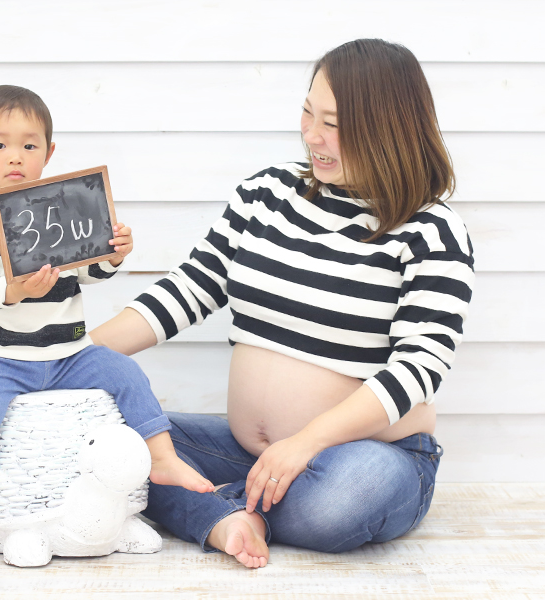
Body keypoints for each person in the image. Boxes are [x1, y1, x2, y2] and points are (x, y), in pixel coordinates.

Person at [90, 39, 474, 569]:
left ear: (388, 127)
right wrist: (74, 356)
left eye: (333, 124)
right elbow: (190, 288)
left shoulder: (430, 231)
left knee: (351, 497)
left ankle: (213, 509)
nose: (312, 136)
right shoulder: (266, 195)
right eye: (307, 111)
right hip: (247, 453)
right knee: (106, 439)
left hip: (363, 458)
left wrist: (306, 443)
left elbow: (420, 368)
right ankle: (232, 516)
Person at [0, 85, 214, 569]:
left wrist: (112, 254)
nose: (15, 157)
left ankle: (164, 455)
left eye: (29, 145)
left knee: (126, 374)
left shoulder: (61, 210)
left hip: (69, 352)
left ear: (49, 153)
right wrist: (13, 290)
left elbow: (87, 269)